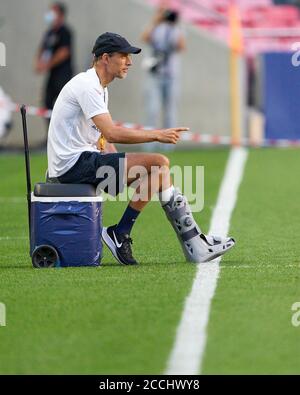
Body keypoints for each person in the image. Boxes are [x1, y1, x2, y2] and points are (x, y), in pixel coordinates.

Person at [47, 32, 235, 265]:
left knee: (159, 174)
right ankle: (182, 240)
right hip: (72, 166)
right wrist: (157, 134)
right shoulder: (88, 86)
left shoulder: (98, 86)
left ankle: (185, 241)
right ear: (105, 58)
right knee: (159, 161)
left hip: (82, 161)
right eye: (124, 56)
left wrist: (119, 164)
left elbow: (101, 138)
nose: (130, 62)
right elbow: (112, 132)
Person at [141, 7, 185, 133]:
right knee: (152, 110)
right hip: (155, 74)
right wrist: (155, 22)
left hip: (171, 75)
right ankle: (150, 142)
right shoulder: (156, 29)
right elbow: (144, 38)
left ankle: (169, 143)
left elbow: (181, 47)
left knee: (170, 111)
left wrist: (177, 25)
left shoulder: (177, 31)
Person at [34, 2, 73, 142]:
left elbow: (64, 52)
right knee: (47, 103)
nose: (50, 15)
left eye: (53, 12)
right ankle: (50, 138)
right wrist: (38, 62)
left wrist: (47, 64)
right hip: (51, 75)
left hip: (63, 75)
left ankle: (64, 138)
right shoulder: (49, 32)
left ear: (60, 15)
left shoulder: (65, 31)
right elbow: (42, 48)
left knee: (64, 106)